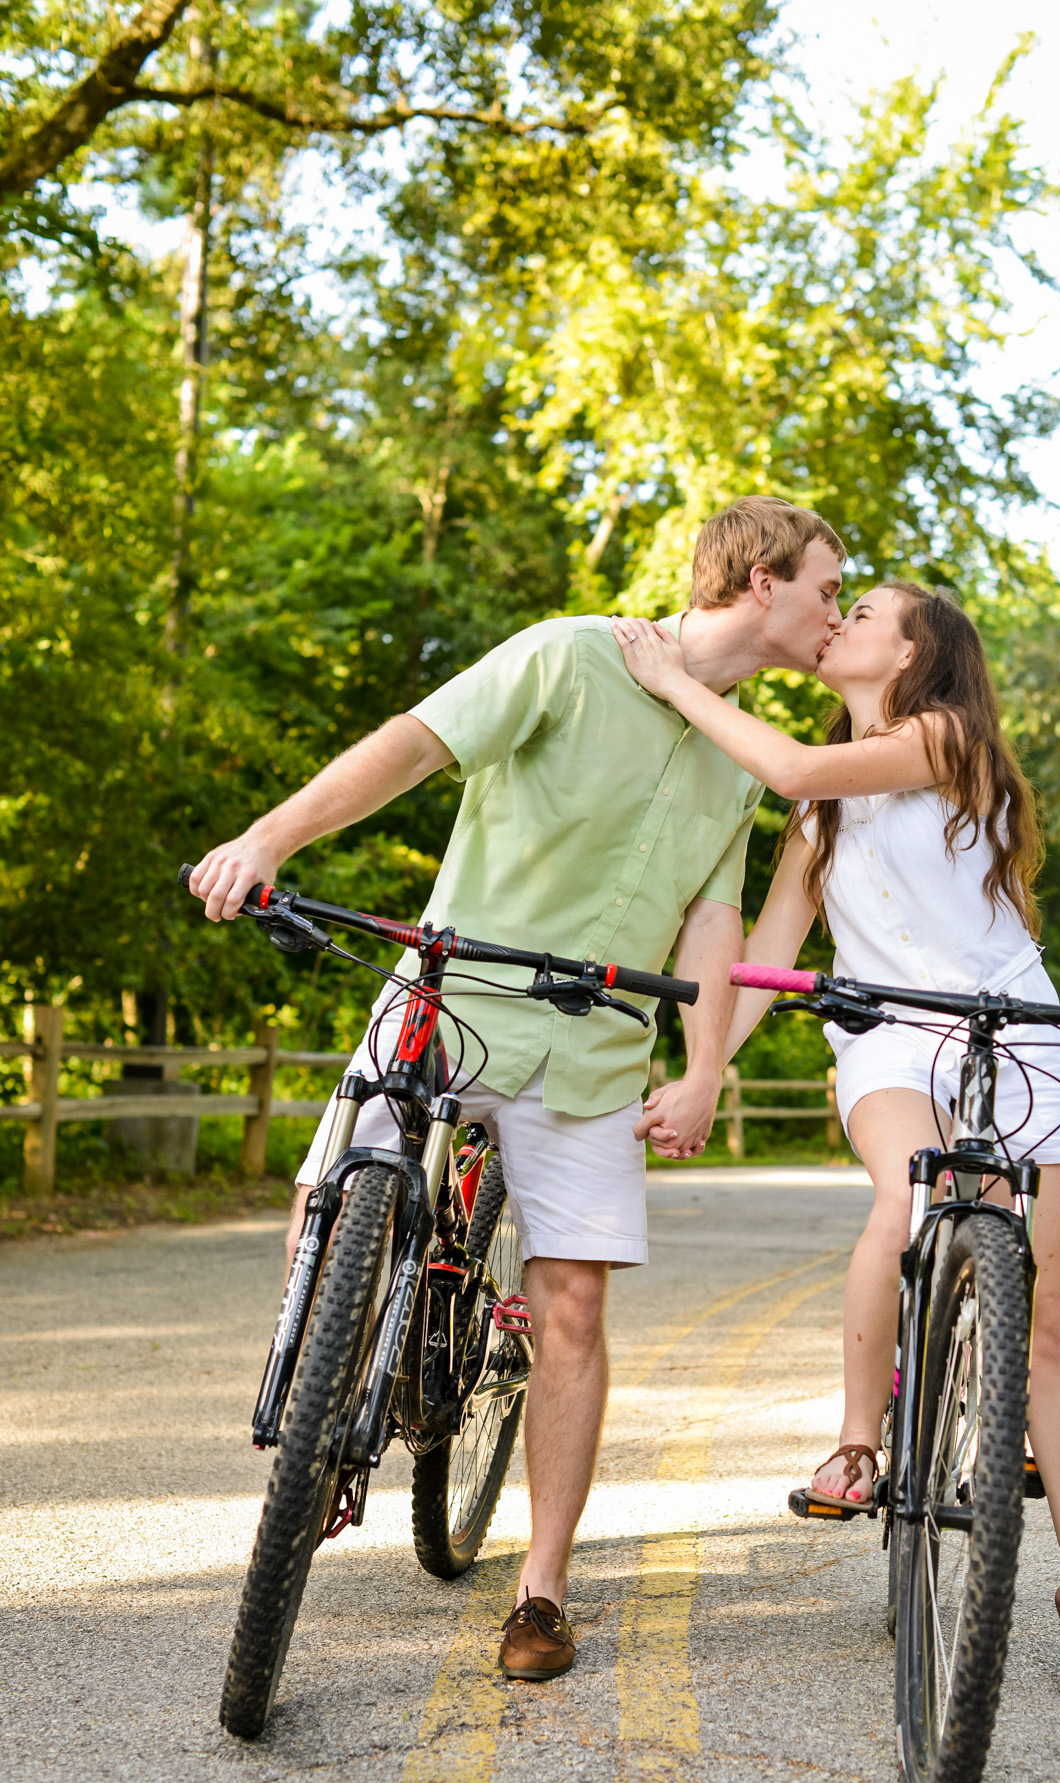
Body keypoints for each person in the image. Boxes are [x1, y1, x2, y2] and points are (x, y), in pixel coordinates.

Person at [188, 496, 846, 1683]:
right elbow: (415, 741)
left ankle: (541, 1586)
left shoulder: (742, 753)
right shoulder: (566, 654)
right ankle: (320, 1369)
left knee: (574, 1308)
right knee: (334, 1189)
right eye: (827, 589)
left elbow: (712, 915)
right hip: (451, 990)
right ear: (761, 583)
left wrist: (702, 1069)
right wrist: (269, 839)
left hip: (593, 1046)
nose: (836, 614)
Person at [611, 582, 1060, 1704]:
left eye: (868, 611)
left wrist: (675, 677)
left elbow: (793, 763)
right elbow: (766, 954)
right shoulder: (817, 816)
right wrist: (703, 1071)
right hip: (891, 1040)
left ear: (917, 653)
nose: (838, 621)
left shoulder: (944, 737)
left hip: (1017, 1031)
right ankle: (858, 1438)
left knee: (1048, 1327)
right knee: (908, 1193)